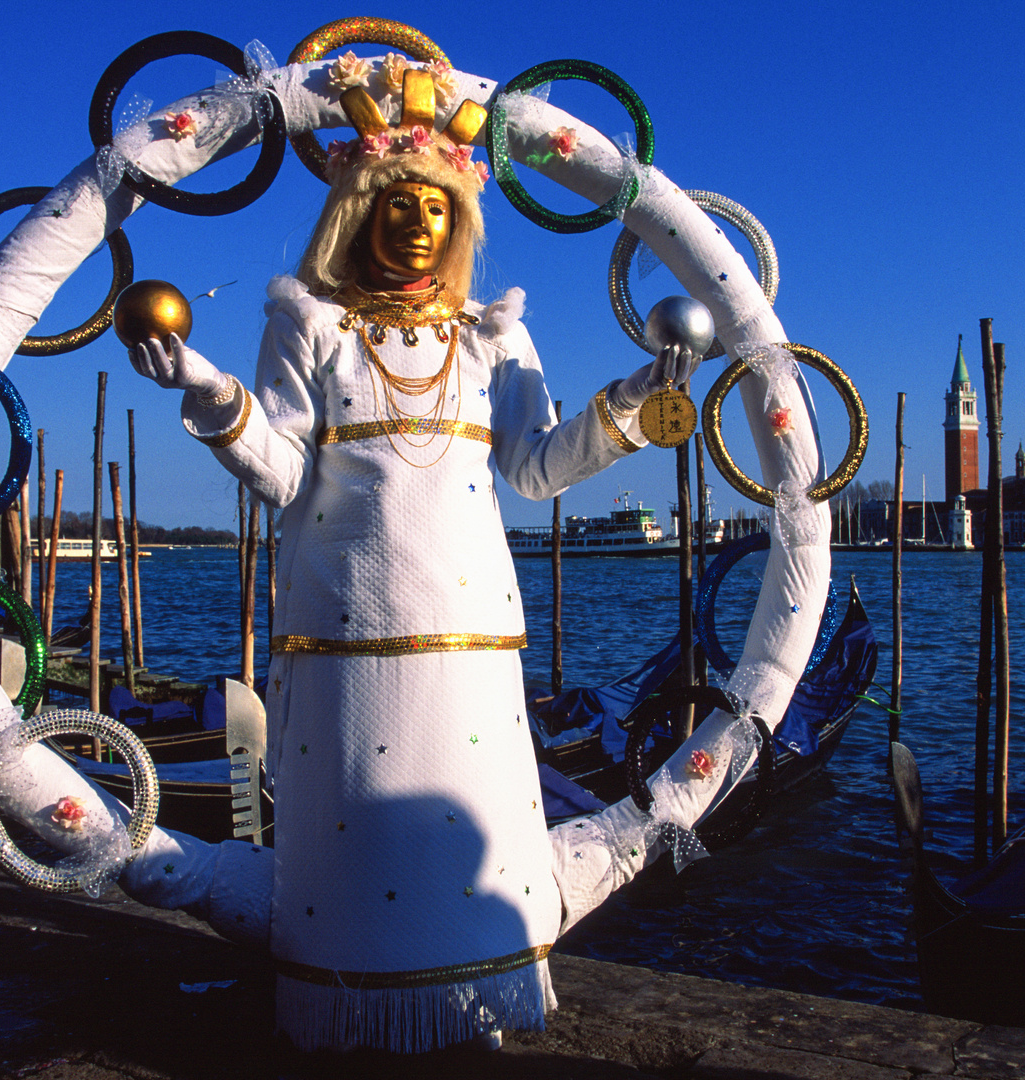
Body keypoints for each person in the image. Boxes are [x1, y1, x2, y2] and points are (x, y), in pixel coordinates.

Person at [126, 70, 702, 1052]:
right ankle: (349, 1003)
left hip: (470, 629)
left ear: (462, 218)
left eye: (440, 206)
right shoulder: (307, 323)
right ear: (360, 214)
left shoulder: (492, 338)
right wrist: (205, 387)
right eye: (402, 204)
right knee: (361, 830)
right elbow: (278, 469)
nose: (423, 225)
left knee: (469, 806)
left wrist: (638, 405)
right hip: (347, 627)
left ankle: (482, 988)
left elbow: (534, 466)